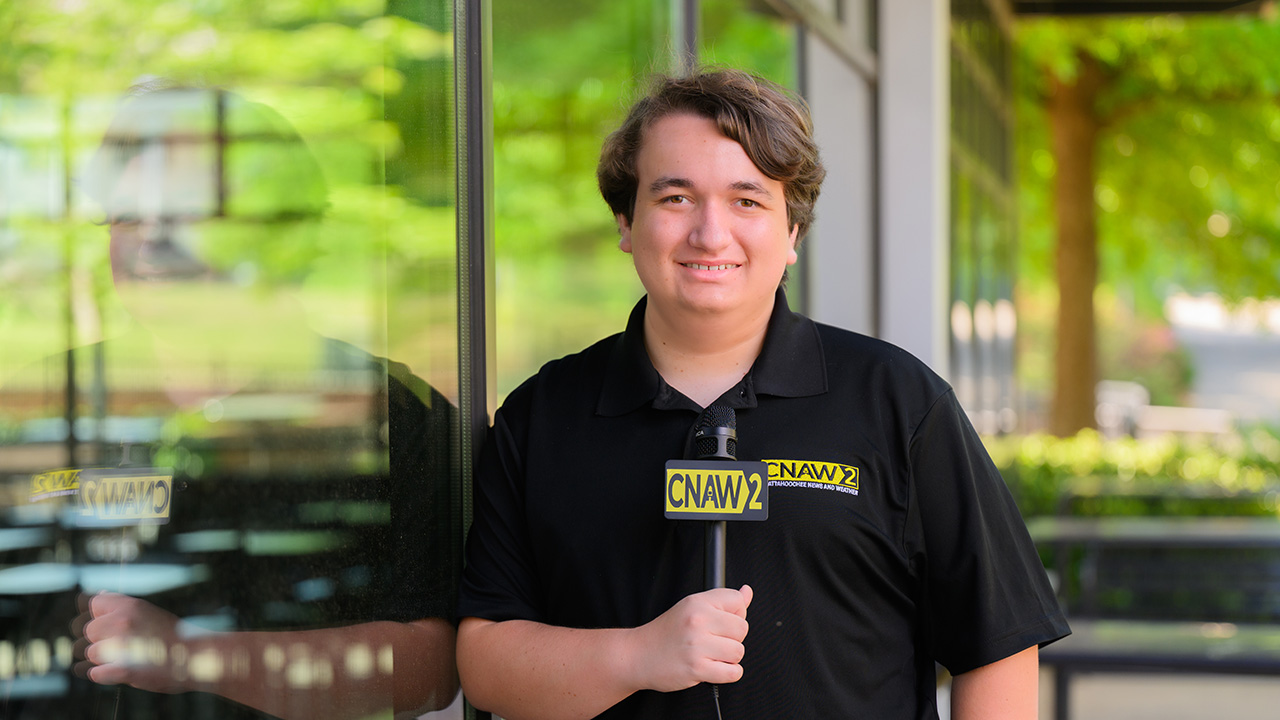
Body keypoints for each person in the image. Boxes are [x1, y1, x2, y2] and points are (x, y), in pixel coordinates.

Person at [455, 68, 1069, 719]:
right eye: (675, 198)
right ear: (625, 222)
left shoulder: (898, 403)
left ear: (793, 233)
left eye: (747, 201)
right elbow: (486, 663)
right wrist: (639, 656)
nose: (710, 233)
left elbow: (997, 641)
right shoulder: (540, 418)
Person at [1, 84, 460, 719]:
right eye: (128, 215)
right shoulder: (38, 410)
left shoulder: (390, 419)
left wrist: (194, 656)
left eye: (188, 214)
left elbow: (428, 669)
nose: (151, 240)